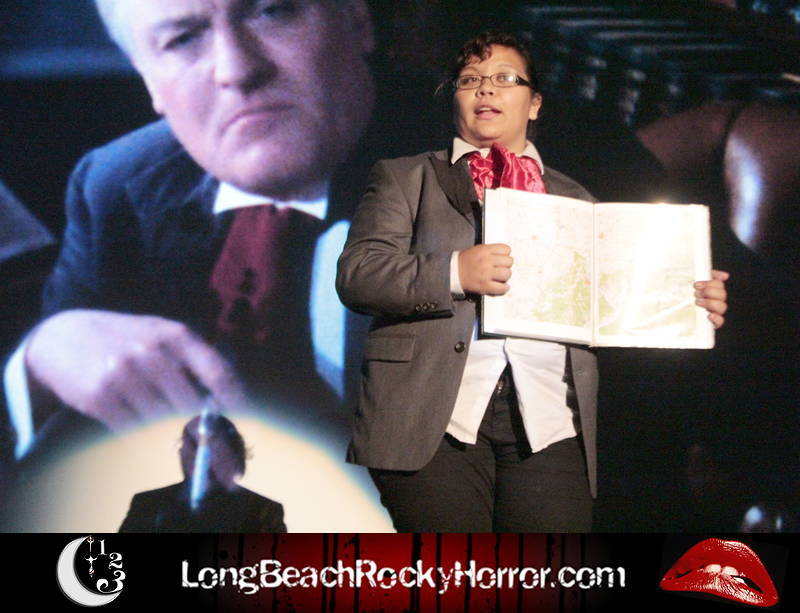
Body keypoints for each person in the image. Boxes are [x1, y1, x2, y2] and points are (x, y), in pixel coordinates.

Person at [336, 31, 729, 532]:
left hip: (547, 419)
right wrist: (455, 271)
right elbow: (359, 273)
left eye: (505, 78)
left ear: (535, 102)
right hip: (433, 416)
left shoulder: (577, 200)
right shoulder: (406, 177)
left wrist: (688, 301)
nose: (486, 89)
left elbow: (614, 303)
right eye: (470, 80)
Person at [3, 0, 376, 463]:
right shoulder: (117, 188)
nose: (236, 70)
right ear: (147, 79)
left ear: (356, 19)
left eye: (272, 12)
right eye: (182, 40)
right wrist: (43, 356)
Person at [119, 413, 286, 532]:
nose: (197, 453)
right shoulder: (147, 505)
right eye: (190, 443)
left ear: (231, 452)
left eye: (208, 443)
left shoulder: (263, 511)